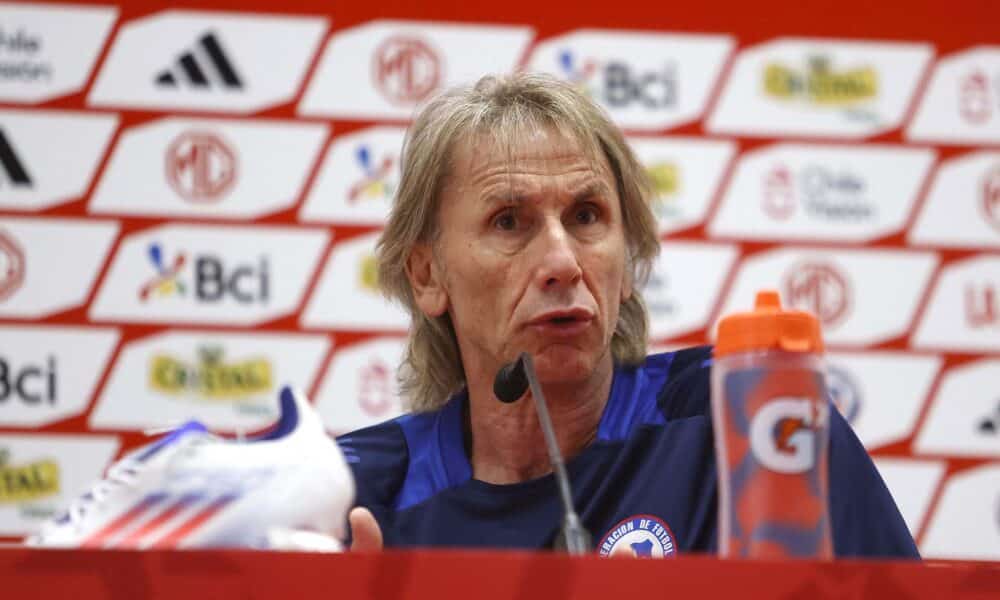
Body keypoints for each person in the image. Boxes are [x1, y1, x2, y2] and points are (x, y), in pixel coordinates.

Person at [338, 72, 918, 558]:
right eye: (509, 221)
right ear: (427, 275)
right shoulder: (358, 495)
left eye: (587, 216)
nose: (562, 262)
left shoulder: (749, 418)